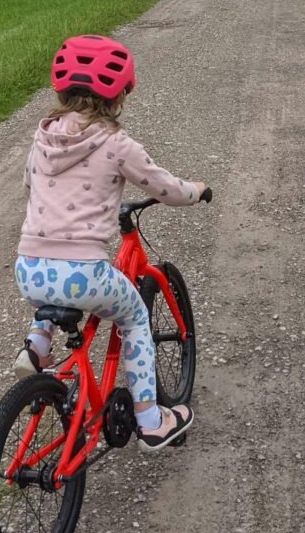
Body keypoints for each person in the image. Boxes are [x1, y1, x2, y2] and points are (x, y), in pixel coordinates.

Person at [12, 34, 205, 451]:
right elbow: (165, 188)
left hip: (28, 268)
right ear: (120, 93)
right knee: (134, 317)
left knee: (53, 279)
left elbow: (29, 184)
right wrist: (196, 189)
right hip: (82, 273)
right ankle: (151, 421)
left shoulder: (42, 138)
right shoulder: (116, 144)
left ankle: (37, 345)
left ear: (61, 89)